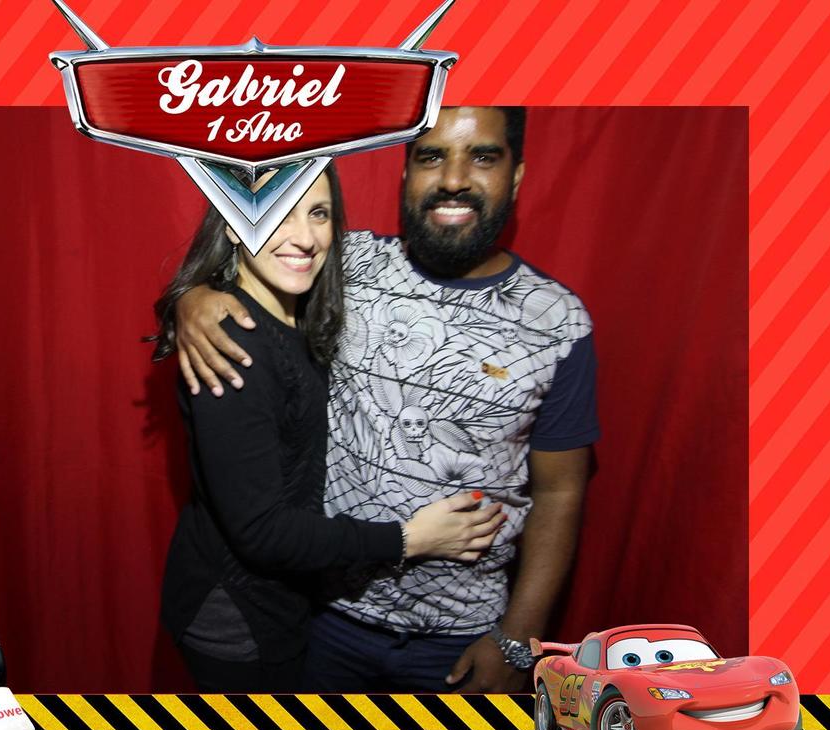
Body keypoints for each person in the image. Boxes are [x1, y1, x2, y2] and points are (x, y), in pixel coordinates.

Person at [172, 107, 598, 692]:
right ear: (405, 173)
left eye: (482, 156)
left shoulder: (558, 320)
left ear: (516, 175)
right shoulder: (348, 265)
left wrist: (517, 637)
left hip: (461, 637)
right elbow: (253, 252)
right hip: (325, 618)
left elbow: (560, 490)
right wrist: (194, 298)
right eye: (431, 156)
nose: (453, 178)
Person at [152, 164, 508, 692]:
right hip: (239, 618)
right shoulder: (233, 342)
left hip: (286, 602)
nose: (304, 237)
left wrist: (190, 293)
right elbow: (263, 533)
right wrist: (410, 539)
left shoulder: (294, 317)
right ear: (232, 223)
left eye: (318, 213)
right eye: (277, 213)